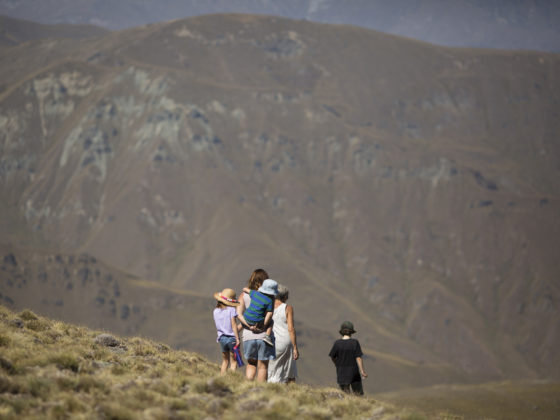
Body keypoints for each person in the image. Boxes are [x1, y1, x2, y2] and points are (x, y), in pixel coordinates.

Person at [237, 269, 276, 382]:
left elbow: (239, 315)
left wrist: (248, 326)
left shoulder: (244, 295)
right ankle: (260, 391)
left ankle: (248, 384)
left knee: (251, 363)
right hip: (264, 336)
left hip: (248, 336)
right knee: (263, 366)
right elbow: (270, 314)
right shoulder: (269, 297)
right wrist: (263, 326)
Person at [267, 284, 299, 383]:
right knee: (289, 369)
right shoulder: (287, 308)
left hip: (271, 341)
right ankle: (290, 391)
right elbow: (291, 329)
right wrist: (295, 347)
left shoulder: (268, 307)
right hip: (286, 341)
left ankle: (272, 387)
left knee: (272, 368)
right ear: (284, 296)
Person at [328, 321, 367, 395]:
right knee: (358, 394)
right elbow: (358, 358)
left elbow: (332, 356)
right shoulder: (355, 342)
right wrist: (362, 371)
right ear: (351, 332)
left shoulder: (337, 343)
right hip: (354, 372)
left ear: (341, 331)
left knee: (345, 394)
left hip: (341, 372)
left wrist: (337, 364)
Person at [238, 279, 277, 346]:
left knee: (243, 322)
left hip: (247, 318)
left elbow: (244, 289)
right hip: (258, 322)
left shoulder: (255, 293)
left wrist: (246, 289)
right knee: (271, 321)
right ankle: (267, 337)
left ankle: (234, 333)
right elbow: (269, 313)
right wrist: (263, 325)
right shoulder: (269, 300)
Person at [213, 288, 241, 375]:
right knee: (234, 361)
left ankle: (222, 379)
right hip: (232, 338)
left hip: (222, 339)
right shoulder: (231, 310)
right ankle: (231, 380)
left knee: (225, 361)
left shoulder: (215, 311)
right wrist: (237, 338)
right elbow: (233, 325)